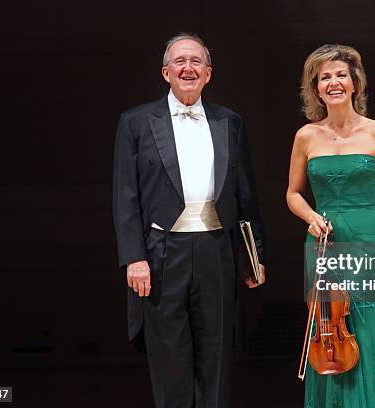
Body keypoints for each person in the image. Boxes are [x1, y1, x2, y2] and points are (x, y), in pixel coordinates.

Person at [112, 33, 266, 408]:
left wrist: (254, 254)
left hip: (216, 248)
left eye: (196, 61)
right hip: (163, 252)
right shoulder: (135, 122)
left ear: (209, 73)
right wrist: (135, 257)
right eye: (180, 61)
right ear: (166, 72)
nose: (188, 68)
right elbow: (125, 196)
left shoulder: (230, 122)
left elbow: (246, 196)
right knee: (169, 356)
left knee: (215, 355)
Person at [286, 44, 375, 407]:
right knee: (330, 339)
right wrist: (311, 216)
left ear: (355, 82)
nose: (334, 82)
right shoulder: (306, 136)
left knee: (372, 337)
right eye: (325, 77)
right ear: (315, 88)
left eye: (341, 75)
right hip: (325, 246)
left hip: (371, 241)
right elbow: (292, 194)